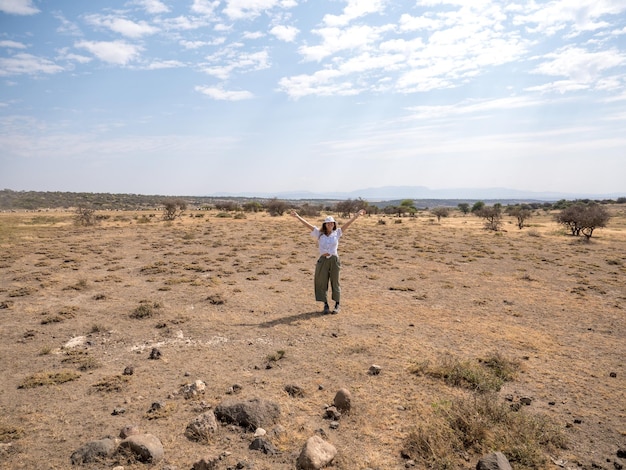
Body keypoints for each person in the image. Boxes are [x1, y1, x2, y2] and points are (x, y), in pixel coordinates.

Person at [291, 209, 366, 314]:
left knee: (335, 282)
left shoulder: (337, 233)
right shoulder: (319, 234)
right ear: (325, 224)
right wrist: (297, 216)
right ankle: (325, 304)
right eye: (328, 223)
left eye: (332, 223)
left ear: (334, 224)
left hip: (334, 260)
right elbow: (308, 225)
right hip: (323, 261)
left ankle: (337, 305)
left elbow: (348, 224)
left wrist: (356, 216)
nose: (330, 224)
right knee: (322, 282)